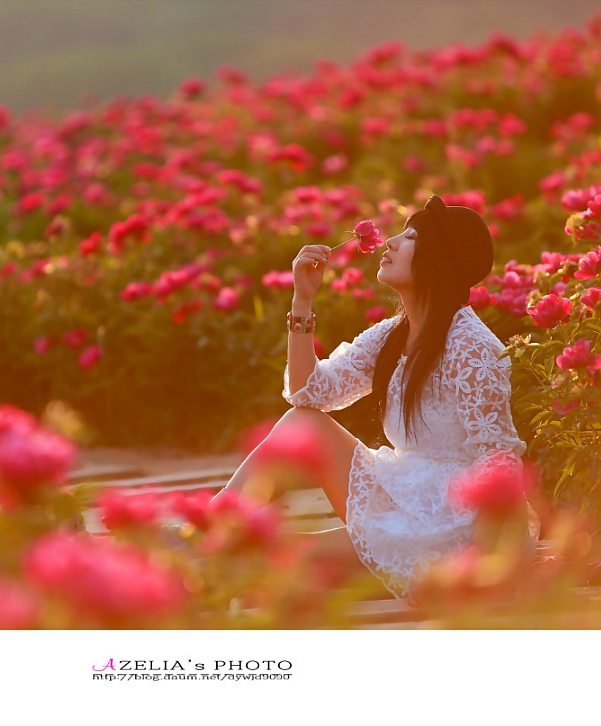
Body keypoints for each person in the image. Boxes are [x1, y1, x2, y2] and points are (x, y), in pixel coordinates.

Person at [216, 194, 539, 601]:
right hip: (399, 489)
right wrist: (302, 301)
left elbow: (498, 458)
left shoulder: (470, 345)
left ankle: (206, 552)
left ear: (438, 259)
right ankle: (215, 524)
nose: (390, 242)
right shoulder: (391, 336)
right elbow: (307, 394)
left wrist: (489, 562)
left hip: (448, 519)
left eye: (410, 237)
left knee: (296, 556)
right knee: (302, 423)